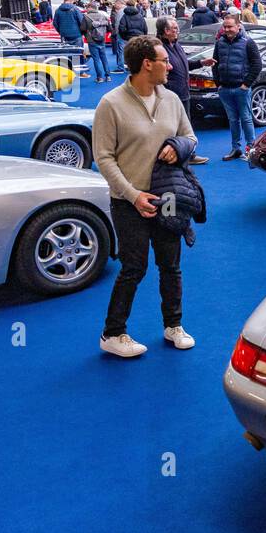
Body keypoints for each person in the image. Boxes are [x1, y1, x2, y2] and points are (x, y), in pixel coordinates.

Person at [92, 34, 199, 359]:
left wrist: (177, 147)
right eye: (164, 60)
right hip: (128, 202)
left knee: (171, 266)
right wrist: (133, 194)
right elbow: (103, 157)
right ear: (146, 65)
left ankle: (173, 326)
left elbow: (190, 138)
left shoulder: (171, 99)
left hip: (167, 196)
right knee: (133, 268)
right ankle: (113, 334)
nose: (171, 65)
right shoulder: (110, 104)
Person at [156, 16, 209, 165]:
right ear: (165, 31)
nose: (177, 31)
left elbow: (184, 64)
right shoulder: (159, 48)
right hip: (170, 95)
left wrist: (201, 63)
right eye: (174, 29)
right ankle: (175, 156)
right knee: (171, 127)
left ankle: (188, 154)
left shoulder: (176, 45)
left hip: (184, 93)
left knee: (186, 126)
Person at [211, 14, 263, 160]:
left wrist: (246, 84)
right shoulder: (219, 42)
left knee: (246, 118)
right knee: (233, 120)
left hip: (241, 89)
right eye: (225, 27)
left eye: (230, 26)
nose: (227, 29)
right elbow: (215, 63)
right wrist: (218, 84)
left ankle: (250, 148)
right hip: (225, 89)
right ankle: (236, 148)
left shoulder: (248, 42)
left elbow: (257, 65)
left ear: (238, 26)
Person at [82, 2, 113, 84]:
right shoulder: (103, 16)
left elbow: (82, 29)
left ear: (90, 8)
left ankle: (100, 78)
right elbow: (110, 28)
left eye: (87, 7)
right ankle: (108, 76)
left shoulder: (86, 17)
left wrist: (87, 34)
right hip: (102, 39)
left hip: (92, 40)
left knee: (96, 59)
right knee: (104, 58)